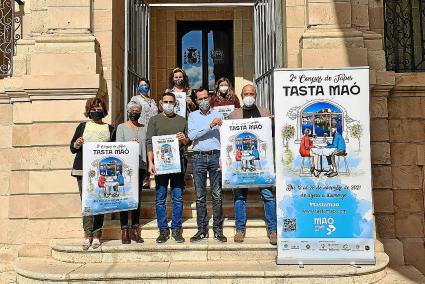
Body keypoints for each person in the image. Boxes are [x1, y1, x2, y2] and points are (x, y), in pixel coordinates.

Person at [228, 84, 277, 245]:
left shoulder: (265, 113)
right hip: (240, 166)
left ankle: (273, 230)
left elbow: (272, 136)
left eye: (251, 93)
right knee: (239, 196)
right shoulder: (233, 115)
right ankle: (240, 229)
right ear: (241, 96)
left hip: (262, 165)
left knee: (268, 196)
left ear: (255, 95)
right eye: (246, 93)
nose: (249, 96)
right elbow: (228, 138)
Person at [70, 97, 115, 250]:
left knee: (100, 204)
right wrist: (77, 143)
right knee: (87, 203)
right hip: (83, 171)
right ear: (89, 111)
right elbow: (72, 147)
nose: (97, 111)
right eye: (94, 109)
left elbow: (116, 149)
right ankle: (87, 234)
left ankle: (97, 235)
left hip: (102, 172)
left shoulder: (110, 129)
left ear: (104, 110)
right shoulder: (82, 126)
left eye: (99, 108)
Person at [146, 92, 190, 243]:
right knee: (160, 198)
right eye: (166, 101)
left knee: (177, 198)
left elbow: (187, 143)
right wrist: (150, 163)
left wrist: (184, 139)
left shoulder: (182, 120)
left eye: (171, 102)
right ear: (160, 103)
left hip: (178, 165)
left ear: (175, 104)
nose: (168, 104)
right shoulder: (154, 120)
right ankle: (163, 230)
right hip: (160, 165)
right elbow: (149, 142)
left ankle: (176, 229)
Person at [188, 88, 227, 243]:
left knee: (217, 195)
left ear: (210, 98)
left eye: (205, 98)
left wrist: (223, 158)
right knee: (200, 196)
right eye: (200, 99)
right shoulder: (192, 116)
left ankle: (218, 230)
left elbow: (225, 136)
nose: (203, 101)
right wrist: (210, 126)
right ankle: (202, 230)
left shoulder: (219, 113)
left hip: (215, 156)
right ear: (196, 101)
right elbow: (191, 136)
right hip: (198, 157)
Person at [115, 101, 147, 244]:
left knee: (137, 198)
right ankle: (124, 229)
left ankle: (135, 228)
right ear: (128, 112)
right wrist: (129, 145)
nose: (135, 112)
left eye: (137, 110)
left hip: (140, 167)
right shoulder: (121, 127)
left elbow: (147, 147)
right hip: (125, 168)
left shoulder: (144, 128)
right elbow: (118, 146)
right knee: (124, 197)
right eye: (132, 110)